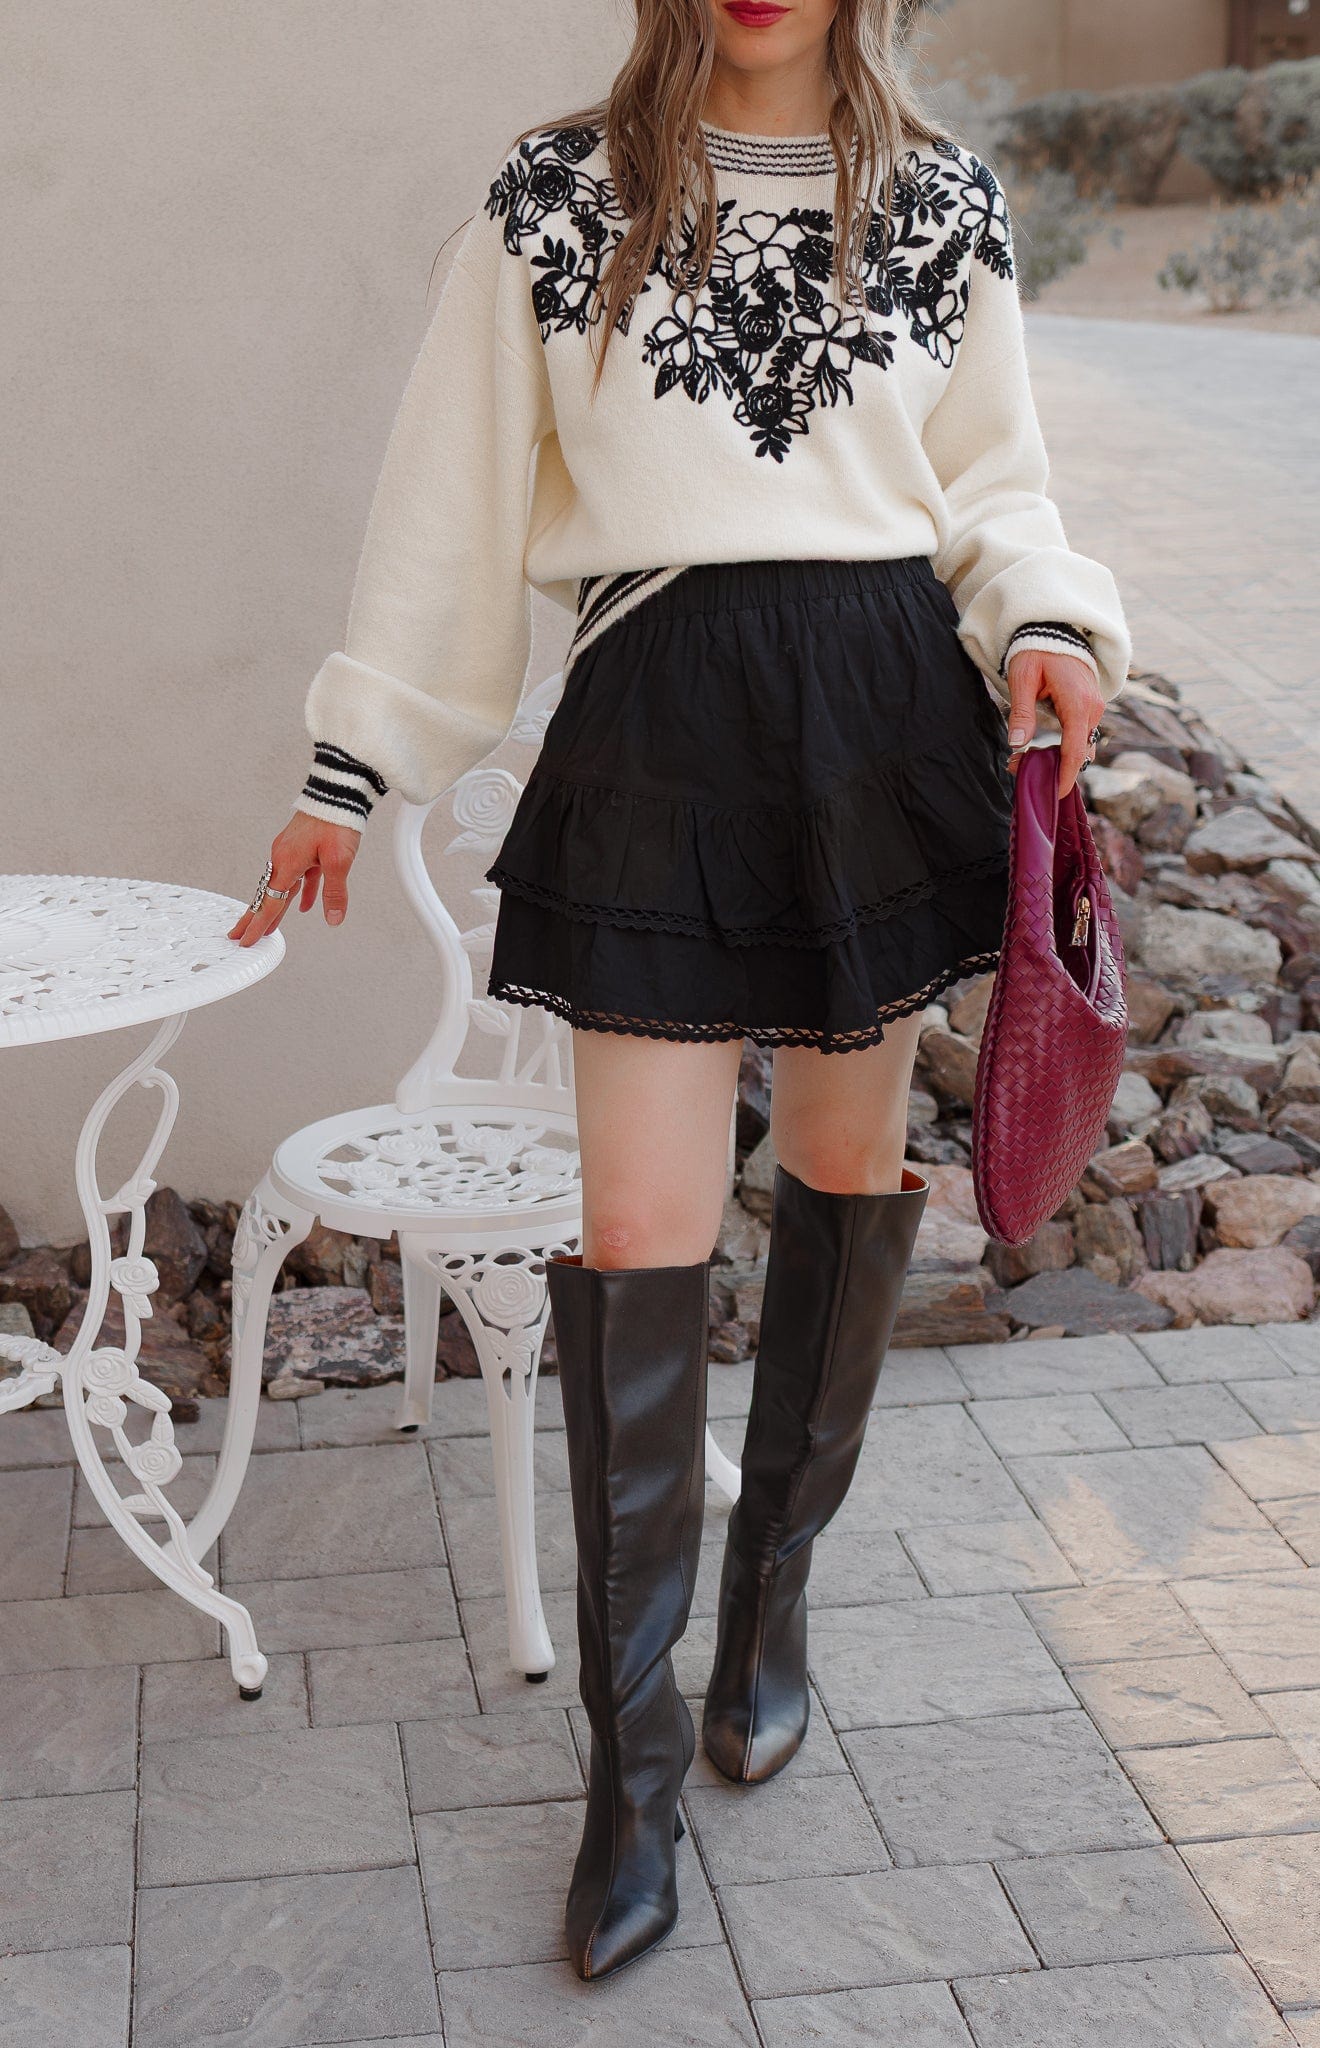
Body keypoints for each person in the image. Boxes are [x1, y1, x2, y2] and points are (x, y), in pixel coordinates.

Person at [232, 0, 1128, 1984]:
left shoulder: (941, 201)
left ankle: (770, 1612)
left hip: (884, 724)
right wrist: (352, 763)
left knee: (843, 1178)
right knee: (637, 1232)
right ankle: (629, 1781)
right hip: (658, 727)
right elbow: (453, 504)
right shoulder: (563, 196)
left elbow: (996, 487)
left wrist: (1050, 622)